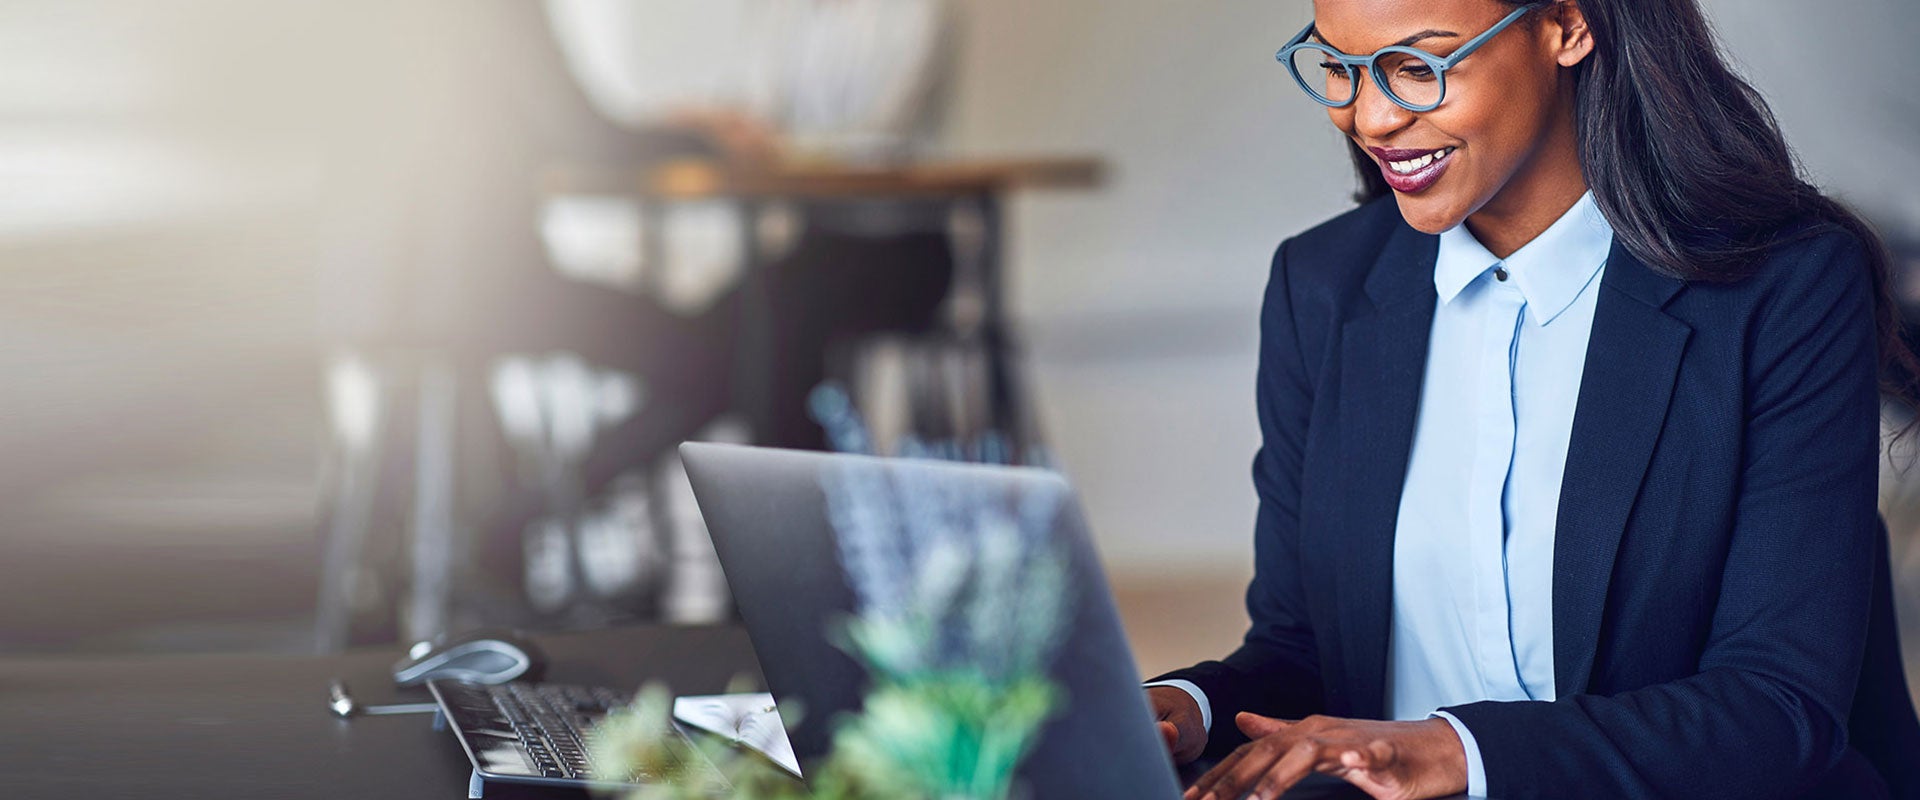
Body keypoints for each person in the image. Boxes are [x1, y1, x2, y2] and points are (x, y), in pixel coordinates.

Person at [1145, 1, 1920, 798]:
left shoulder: (1782, 288)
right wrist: (1183, 707)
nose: (1369, 118)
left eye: (1419, 66)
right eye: (1339, 69)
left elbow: (1779, 705)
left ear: (1568, 26)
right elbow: (1305, 654)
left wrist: (1460, 752)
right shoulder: (1324, 288)